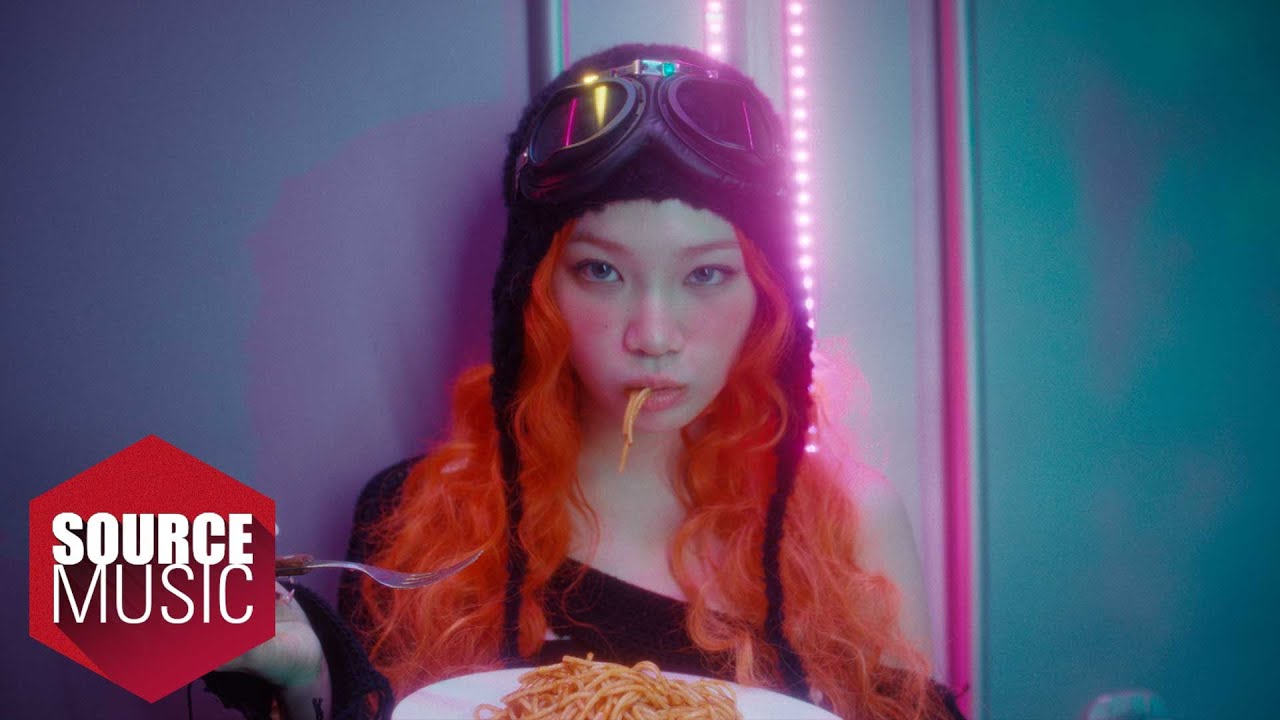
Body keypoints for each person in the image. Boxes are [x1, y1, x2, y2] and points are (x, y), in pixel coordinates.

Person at [206, 42, 964, 720]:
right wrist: (307, 677)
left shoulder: (852, 523)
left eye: (706, 274)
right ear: (537, 291)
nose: (654, 335)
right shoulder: (414, 515)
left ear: (765, 296)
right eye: (601, 271)